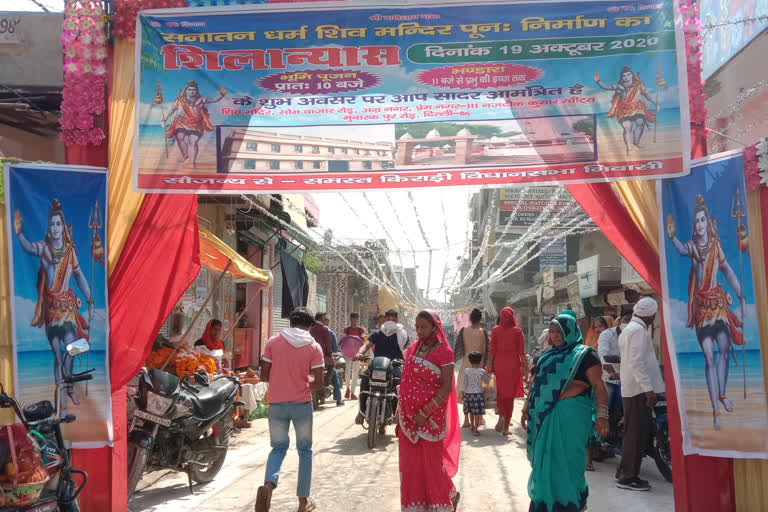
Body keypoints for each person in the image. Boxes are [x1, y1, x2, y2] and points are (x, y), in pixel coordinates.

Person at [667, 195, 745, 429]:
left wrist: (740, 292)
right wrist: (672, 237)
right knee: (709, 357)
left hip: (718, 304)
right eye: (696, 221)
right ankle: (714, 411)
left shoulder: (715, 245)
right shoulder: (693, 248)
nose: (700, 224)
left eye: (703, 220)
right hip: (701, 309)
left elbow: (729, 271)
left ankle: (722, 394)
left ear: (706, 222)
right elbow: (681, 249)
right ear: (694, 225)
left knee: (724, 346)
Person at [522, 313, 610, 512]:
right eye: (552, 331)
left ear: (569, 330)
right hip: (543, 419)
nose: (555, 335)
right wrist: (526, 406)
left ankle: (570, 504)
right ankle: (544, 505)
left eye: (558, 331)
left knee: (569, 464)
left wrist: (603, 415)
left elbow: (599, 385)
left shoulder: (585, 355)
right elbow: (537, 384)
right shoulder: (547, 354)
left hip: (572, 420)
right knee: (545, 463)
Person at [13, 199, 92, 407]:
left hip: (67, 309)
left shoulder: (70, 252)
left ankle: (69, 386)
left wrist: (90, 298)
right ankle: (61, 397)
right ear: (48, 227)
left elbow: (80, 276)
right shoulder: (45, 249)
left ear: (62, 226)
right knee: (58, 356)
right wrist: (19, 233)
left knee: (73, 349)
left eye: (58, 224)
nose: (55, 228)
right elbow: (29, 248)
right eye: (52, 224)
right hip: (52, 311)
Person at [256, 307, 324, 512]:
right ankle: (303, 502)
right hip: (302, 404)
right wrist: (303, 382)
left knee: (278, 448)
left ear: (290, 322)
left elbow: (264, 376)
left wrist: (281, 380)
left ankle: (269, 485)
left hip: (277, 403)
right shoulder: (314, 346)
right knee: (304, 450)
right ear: (310, 326)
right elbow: (319, 382)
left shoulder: (273, 342)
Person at [398, 310, 461, 512]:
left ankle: (439, 503)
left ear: (435, 327)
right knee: (412, 466)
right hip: (408, 420)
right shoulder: (414, 349)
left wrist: (424, 413)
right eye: (416, 327)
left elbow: (445, 388)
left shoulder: (445, 352)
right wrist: (400, 414)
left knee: (432, 466)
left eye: (423, 326)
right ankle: (417, 505)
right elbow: (405, 382)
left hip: (430, 419)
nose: (419, 331)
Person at [616, 297, 665, 491]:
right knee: (636, 435)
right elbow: (637, 363)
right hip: (638, 390)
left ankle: (623, 472)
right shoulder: (637, 331)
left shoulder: (629, 328)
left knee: (631, 434)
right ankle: (628, 478)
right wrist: (648, 390)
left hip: (631, 389)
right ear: (651, 315)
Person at [353, 309, 406, 424]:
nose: (391, 321)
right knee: (365, 379)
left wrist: (409, 361)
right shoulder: (377, 333)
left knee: (400, 382)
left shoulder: (402, 335)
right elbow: (367, 344)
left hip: (395, 365)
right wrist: (359, 353)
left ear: (397, 320)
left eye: (394, 319)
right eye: (389, 319)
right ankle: (361, 412)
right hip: (377, 364)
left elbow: (408, 350)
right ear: (384, 320)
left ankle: (398, 413)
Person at [594, 66, 658, 154]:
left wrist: (655, 103)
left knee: (640, 123)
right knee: (628, 127)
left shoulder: (638, 84)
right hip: (623, 110)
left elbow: (646, 94)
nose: (626, 77)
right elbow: (607, 87)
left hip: (637, 109)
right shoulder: (619, 86)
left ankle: (636, 141)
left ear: (632, 75)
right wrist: (598, 81)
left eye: (628, 74)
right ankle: (629, 148)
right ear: (622, 77)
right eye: (624, 76)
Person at [165, 80, 226, 168]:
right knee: (179, 138)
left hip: (196, 124)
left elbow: (214, 100)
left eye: (193, 90)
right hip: (182, 123)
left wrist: (221, 94)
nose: (191, 92)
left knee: (192, 142)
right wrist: (166, 118)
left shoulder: (201, 99)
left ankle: (192, 162)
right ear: (186, 90)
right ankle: (185, 155)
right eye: (189, 90)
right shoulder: (180, 100)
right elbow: (173, 109)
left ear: (196, 91)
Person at [487, 307, 528, 435]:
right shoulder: (517, 331)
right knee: (509, 396)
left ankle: (501, 415)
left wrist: (488, 366)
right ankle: (506, 428)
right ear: (512, 316)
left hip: (499, 364)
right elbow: (522, 352)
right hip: (513, 366)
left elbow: (492, 351)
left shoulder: (495, 330)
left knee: (499, 393)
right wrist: (526, 368)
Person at [454, 308, 489, 428]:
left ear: (470, 319)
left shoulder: (463, 330)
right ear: (480, 319)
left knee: (466, 394)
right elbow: (484, 351)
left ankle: (466, 420)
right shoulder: (483, 332)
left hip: (466, 365)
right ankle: (480, 418)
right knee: (479, 393)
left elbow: (459, 348)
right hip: (479, 364)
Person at [598, 309, 634, 410]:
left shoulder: (635, 335)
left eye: (632, 321)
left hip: (628, 378)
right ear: (619, 321)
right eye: (626, 320)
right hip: (609, 377)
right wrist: (611, 372)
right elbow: (603, 354)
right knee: (605, 406)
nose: (629, 323)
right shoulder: (606, 334)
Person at [316, 312, 343, 407]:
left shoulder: (311, 329)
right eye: (325, 320)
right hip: (325, 358)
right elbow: (333, 348)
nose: (326, 322)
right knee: (334, 375)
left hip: (312, 359)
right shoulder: (329, 332)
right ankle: (338, 399)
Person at [460, 351, 487, 436]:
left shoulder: (467, 371)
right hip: (478, 395)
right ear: (480, 360)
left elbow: (464, 383)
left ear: (470, 360)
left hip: (469, 395)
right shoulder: (482, 371)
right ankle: (476, 428)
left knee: (471, 411)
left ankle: (472, 425)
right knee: (477, 413)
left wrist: (461, 394)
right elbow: (486, 383)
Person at [342, 312, 367, 399]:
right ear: (350, 319)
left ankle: (352, 392)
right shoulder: (346, 330)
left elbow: (364, 342)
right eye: (353, 319)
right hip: (348, 354)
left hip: (357, 354)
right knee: (348, 371)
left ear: (357, 319)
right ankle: (347, 389)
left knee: (355, 372)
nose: (354, 321)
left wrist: (362, 353)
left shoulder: (361, 330)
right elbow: (344, 340)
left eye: (356, 319)